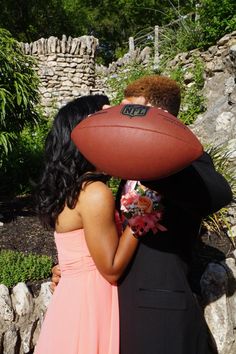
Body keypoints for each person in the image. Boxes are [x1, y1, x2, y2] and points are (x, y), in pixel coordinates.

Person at [51, 76, 233, 354]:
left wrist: (153, 166)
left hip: (159, 316)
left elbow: (219, 194)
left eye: (128, 109)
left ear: (154, 112)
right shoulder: (126, 165)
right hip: (114, 311)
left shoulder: (184, 158)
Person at [34, 94, 151, 354]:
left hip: (72, 302)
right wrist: (140, 217)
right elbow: (110, 268)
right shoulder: (95, 193)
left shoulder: (69, 191)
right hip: (92, 303)